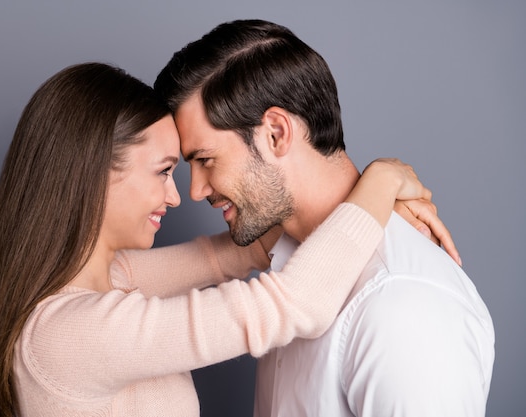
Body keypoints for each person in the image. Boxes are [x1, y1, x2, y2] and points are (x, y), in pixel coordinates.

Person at [0, 62, 446, 417]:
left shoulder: (112, 280)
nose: (179, 197)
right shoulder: (69, 332)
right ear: (91, 177)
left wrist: (366, 204)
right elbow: (295, 304)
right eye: (162, 172)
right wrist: (382, 179)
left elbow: (234, 254)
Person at [150, 19, 495, 417]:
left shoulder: (402, 306)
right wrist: (379, 182)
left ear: (276, 133)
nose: (194, 191)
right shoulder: (290, 269)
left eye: (206, 159)